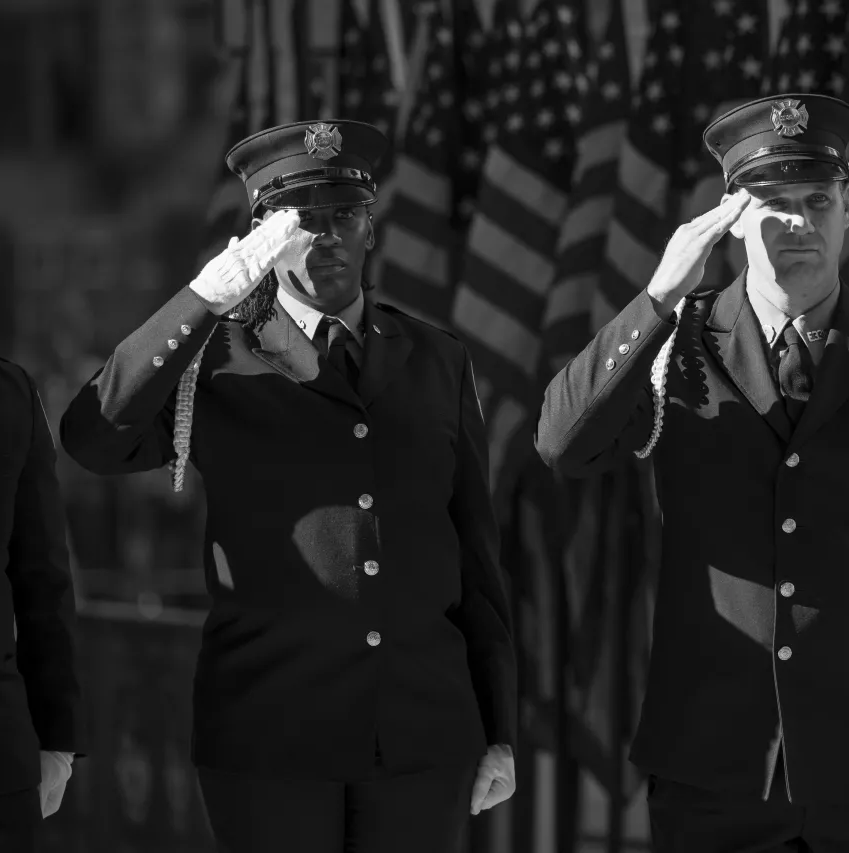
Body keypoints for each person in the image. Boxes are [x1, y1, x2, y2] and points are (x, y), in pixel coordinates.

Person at [536, 93, 849, 852]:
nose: (800, 224)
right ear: (731, 218)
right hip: (713, 771)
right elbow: (561, 443)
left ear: (848, 208)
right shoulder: (673, 346)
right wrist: (657, 296)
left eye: (818, 200)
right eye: (773, 203)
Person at [60, 120, 516, 853]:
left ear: (372, 229)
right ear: (265, 239)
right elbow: (91, 436)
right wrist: (198, 301)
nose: (328, 236)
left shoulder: (437, 357)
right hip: (270, 738)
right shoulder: (216, 360)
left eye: (346, 215)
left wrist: (500, 730)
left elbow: (475, 556)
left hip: (423, 734)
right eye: (302, 221)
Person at [0, 352, 83, 852]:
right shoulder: (5, 388)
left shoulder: (8, 391)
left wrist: (57, 737)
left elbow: (42, 578)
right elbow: (42, 576)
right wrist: (57, 736)